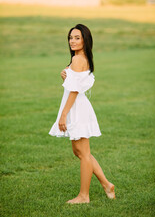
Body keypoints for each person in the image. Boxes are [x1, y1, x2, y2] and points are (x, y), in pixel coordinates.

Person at [49, 24, 116, 204]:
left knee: (84, 153)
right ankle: (107, 184)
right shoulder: (79, 58)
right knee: (78, 151)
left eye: (77, 37)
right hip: (76, 107)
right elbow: (77, 82)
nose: (72, 41)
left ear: (85, 39)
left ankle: (84, 196)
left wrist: (63, 115)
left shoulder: (79, 59)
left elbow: (74, 91)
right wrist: (66, 76)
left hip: (76, 108)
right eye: (71, 37)